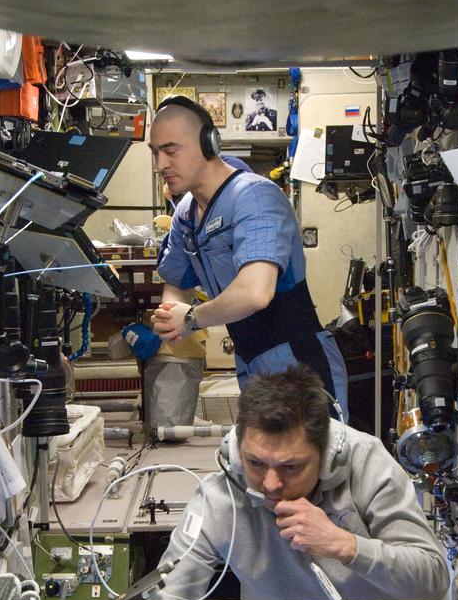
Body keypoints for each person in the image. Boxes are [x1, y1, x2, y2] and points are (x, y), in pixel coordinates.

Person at [143, 365, 449, 600]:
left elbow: (432, 582)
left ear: (327, 456)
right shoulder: (221, 494)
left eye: (291, 467)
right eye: (256, 464)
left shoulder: (366, 465)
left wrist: (346, 545)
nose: (271, 484)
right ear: (237, 454)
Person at [149, 96, 349, 420]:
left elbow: (255, 292)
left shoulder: (255, 197)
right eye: (155, 153)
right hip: (250, 361)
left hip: (297, 363)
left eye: (171, 151)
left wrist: (190, 318)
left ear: (208, 143)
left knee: (313, 465)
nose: (161, 165)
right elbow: (175, 280)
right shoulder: (187, 213)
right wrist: (171, 315)